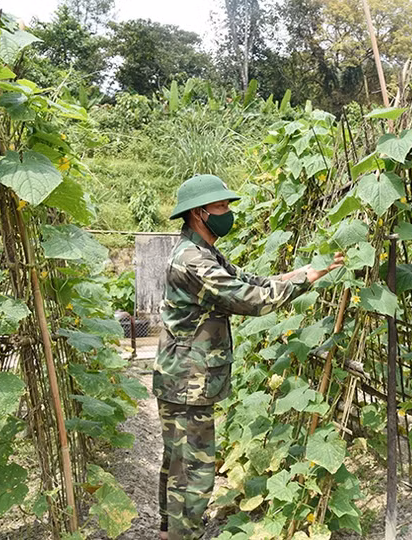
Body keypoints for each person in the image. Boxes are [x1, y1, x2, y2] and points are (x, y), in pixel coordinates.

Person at [153, 174, 344, 540]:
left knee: (179, 462)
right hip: (187, 380)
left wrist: (303, 272)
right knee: (193, 470)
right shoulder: (193, 260)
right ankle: (181, 535)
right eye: (221, 206)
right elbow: (247, 299)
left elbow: (249, 280)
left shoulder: (204, 252)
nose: (227, 212)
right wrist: (304, 281)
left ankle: (169, 532)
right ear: (198, 212)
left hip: (185, 377)